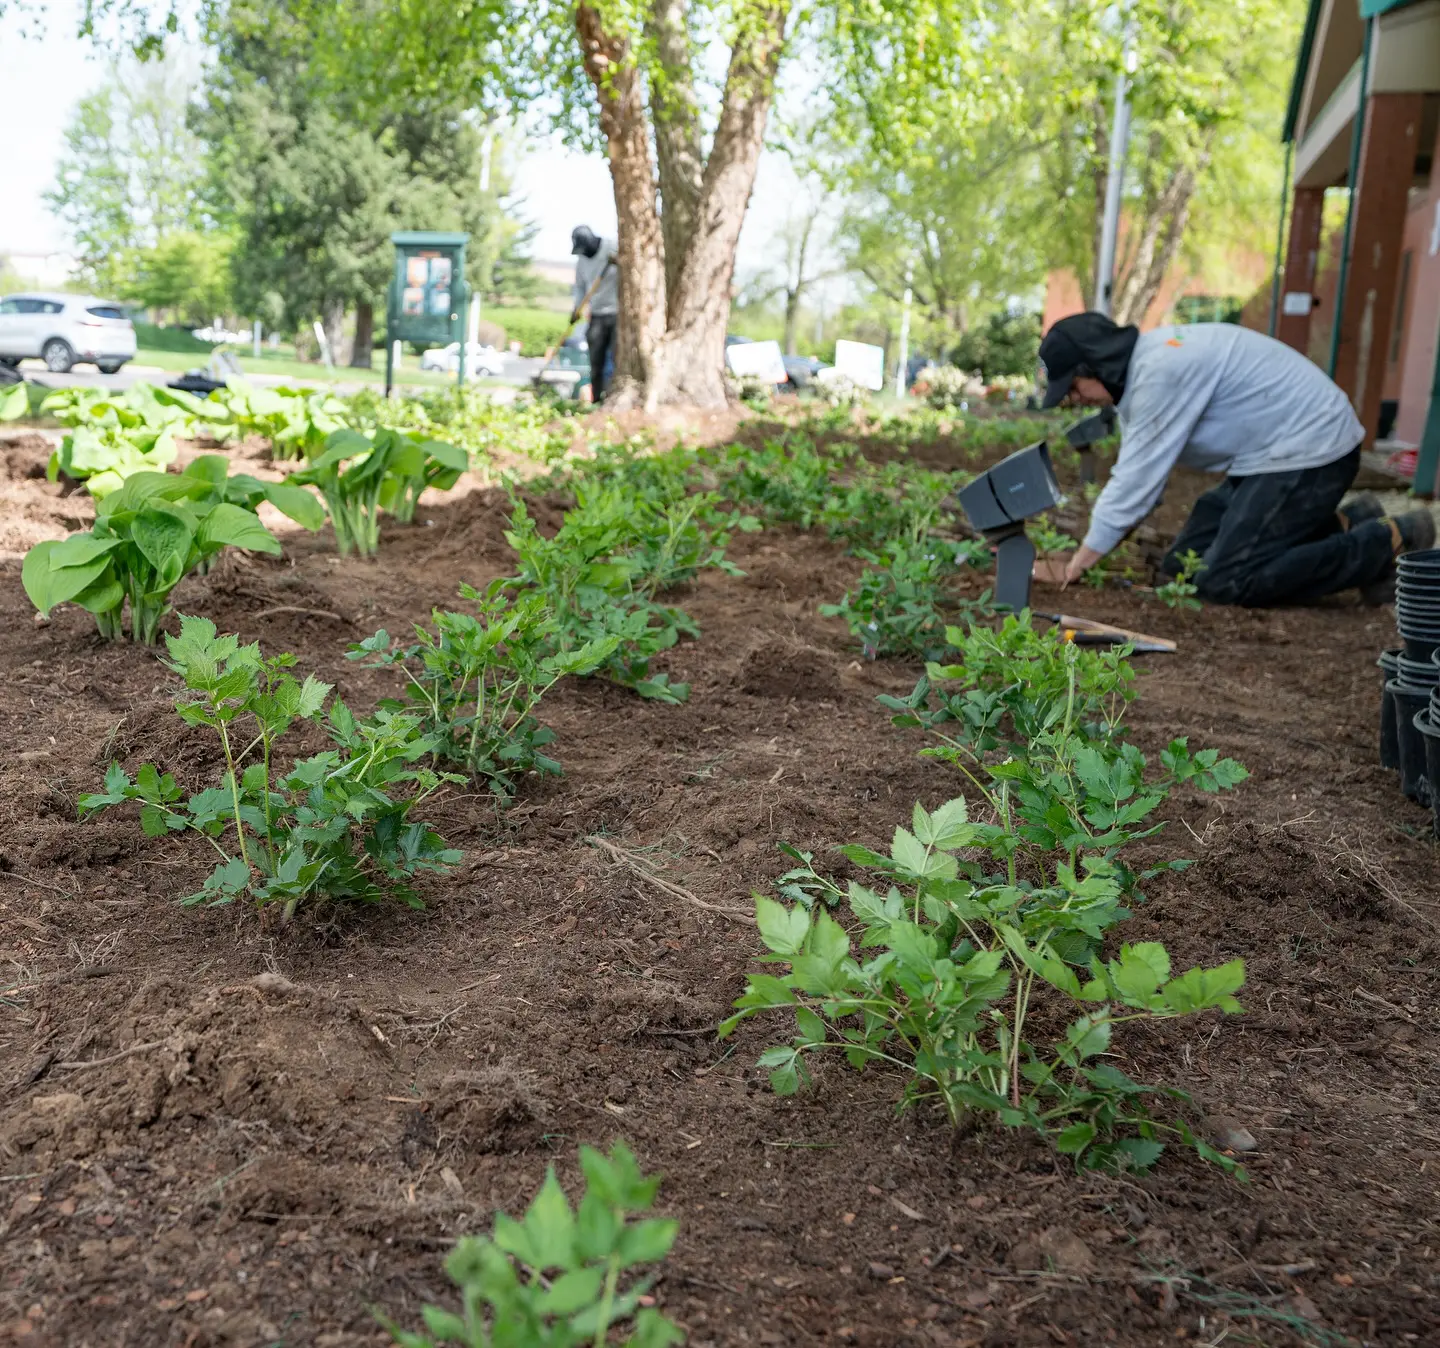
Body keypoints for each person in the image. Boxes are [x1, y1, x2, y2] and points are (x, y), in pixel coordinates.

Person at [1037, 312, 1434, 606]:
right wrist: (1092, 549)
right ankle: (1350, 519)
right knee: (1183, 567)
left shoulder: (1160, 371)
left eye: (1073, 386)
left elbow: (1134, 485)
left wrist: (1077, 567)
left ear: (1096, 365)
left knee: (1226, 579)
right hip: (1269, 457)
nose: (1074, 399)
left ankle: (1389, 540)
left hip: (1312, 451)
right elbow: (1142, 483)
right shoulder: (1148, 366)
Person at [571, 225, 619, 402]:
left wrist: (618, 261)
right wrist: (576, 309)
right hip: (597, 314)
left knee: (616, 358)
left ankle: (613, 396)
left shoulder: (612, 247)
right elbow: (580, 288)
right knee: (595, 360)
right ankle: (596, 400)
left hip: (617, 313)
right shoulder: (581, 261)